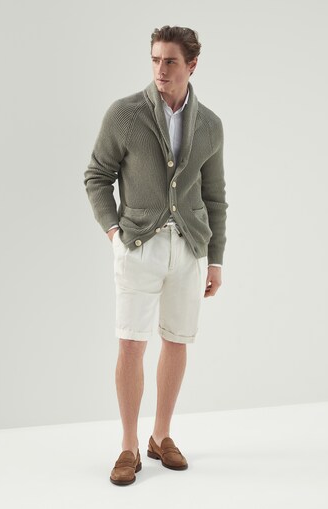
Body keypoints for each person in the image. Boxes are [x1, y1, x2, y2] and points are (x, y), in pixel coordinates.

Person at [83, 25, 228, 486]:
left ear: (192, 66)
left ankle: (160, 436)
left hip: (189, 249)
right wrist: (114, 231)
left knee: (177, 340)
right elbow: (97, 175)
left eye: (170, 61)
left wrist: (216, 259)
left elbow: (215, 196)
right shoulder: (125, 114)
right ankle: (128, 445)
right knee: (131, 342)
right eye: (154, 59)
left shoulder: (209, 125)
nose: (160, 69)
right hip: (138, 245)